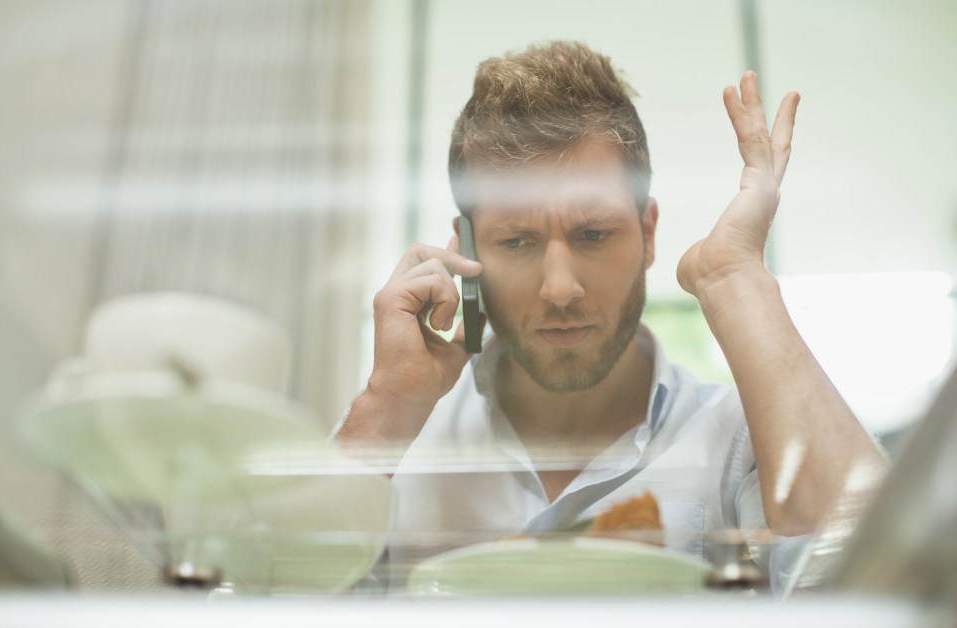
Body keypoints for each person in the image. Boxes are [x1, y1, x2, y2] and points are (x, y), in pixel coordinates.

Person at [335, 41, 886, 586]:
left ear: (647, 233)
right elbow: (277, 595)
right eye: (518, 242)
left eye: (594, 234)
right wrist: (388, 403)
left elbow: (882, 590)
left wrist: (735, 277)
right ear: (469, 250)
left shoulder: (743, 438)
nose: (560, 289)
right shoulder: (397, 441)